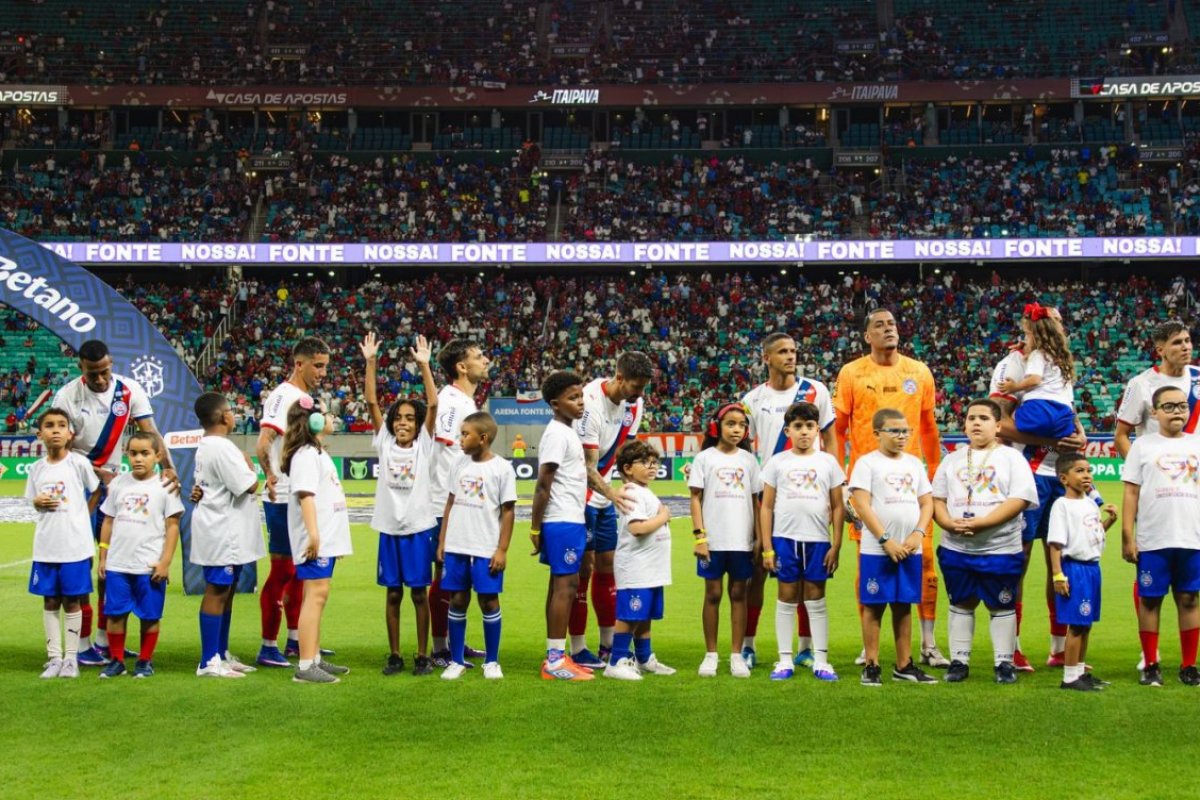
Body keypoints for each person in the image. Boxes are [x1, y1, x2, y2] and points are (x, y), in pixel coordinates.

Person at [52, 339, 175, 666]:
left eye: (106, 371)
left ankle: (107, 640)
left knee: (114, 565)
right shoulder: (66, 397)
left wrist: (169, 467)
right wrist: (93, 471)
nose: (102, 379)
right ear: (82, 369)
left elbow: (150, 432)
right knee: (80, 564)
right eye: (94, 374)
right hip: (78, 491)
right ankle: (81, 644)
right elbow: (58, 449)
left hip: (114, 490)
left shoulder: (129, 390)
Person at [834, 309, 947, 668]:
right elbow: (838, 430)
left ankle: (928, 643)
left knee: (925, 560)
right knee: (868, 565)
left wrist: (938, 475)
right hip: (867, 488)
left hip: (911, 485)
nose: (888, 329)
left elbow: (928, 428)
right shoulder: (852, 373)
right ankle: (869, 648)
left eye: (892, 324)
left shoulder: (919, 372)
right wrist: (840, 478)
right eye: (879, 325)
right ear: (867, 335)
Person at [988, 308, 1087, 671]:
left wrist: (1079, 435)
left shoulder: (1058, 361)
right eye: (1056, 320)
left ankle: (1059, 648)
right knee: (1020, 560)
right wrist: (1051, 439)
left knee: (1062, 559)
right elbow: (998, 424)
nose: (1061, 325)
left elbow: (1067, 411)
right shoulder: (1013, 363)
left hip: (1060, 475)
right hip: (1027, 474)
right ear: (1033, 326)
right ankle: (1010, 647)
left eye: (1062, 320)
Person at [740, 332, 835, 669]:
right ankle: (748, 645)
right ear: (766, 357)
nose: (790, 356)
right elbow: (746, 449)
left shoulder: (816, 391)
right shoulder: (752, 399)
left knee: (809, 573)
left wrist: (834, 478)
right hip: (769, 495)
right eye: (782, 351)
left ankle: (807, 647)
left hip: (808, 494)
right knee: (758, 570)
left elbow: (830, 438)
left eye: (794, 350)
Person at [932, 398, 1039, 684]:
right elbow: (938, 499)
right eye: (971, 418)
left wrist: (982, 523)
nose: (976, 423)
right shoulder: (951, 459)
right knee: (961, 602)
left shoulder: (1012, 458)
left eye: (983, 418)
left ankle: (1003, 662)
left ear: (998, 425)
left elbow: (1020, 500)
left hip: (1000, 548)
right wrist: (947, 522)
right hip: (956, 547)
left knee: (1002, 604)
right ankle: (959, 660)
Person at [1114, 320, 1200, 672]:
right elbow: (1122, 433)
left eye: (1189, 340)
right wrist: (1144, 469)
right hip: (1157, 489)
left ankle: (1187, 662)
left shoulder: (1198, 379)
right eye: (1178, 342)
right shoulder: (1142, 384)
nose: (1186, 346)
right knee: (1150, 585)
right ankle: (1149, 656)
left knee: (1189, 592)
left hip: (1191, 485)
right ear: (1160, 348)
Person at [362, 332, 439, 676]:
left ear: (418, 423)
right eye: (399, 418)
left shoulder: (425, 445)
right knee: (393, 595)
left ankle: (422, 655)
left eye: (409, 418)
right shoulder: (385, 443)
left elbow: (434, 404)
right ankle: (395, 654)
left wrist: (424, 366)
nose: (402, 422)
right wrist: (371, 362)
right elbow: (371, 403)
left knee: (419, 595)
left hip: (419, 529)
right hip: (389, 530)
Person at [570, 352, 652, 669]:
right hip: (580, 496)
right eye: (635, 386)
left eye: (643, 387)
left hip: (605, 497)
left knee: (609, 567)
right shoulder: (589, 402)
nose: (639, 394)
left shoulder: (634, 404)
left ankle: (607, 645)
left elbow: (622, 456)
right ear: (619, 378)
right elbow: (587, 466)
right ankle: (577, 649)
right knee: (582, 571)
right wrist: (614, 495)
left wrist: (633, 487)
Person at [255, 336, 330, 668]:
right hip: (284, 497)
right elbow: (263, 442)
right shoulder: (283, 396)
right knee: (283, 570)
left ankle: (298, 640)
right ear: (299, 364)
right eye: (318, 365)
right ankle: (268, 645)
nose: (323, 373)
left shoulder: (303, 397)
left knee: (301, 572)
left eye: (325, 366)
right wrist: (270, 476)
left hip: (297, 494)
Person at [848, 408, 938, 687]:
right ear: (877, 434)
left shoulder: (913, 463)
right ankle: (872, 665)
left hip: (910, 547)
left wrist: (918, 533)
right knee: (874, 605)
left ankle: (904, 665)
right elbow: (861, 504)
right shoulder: (867, 464)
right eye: (894, 431)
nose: (902, 436)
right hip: (878, 549)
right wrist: (885, 540)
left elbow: (926, 502)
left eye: (905, 431)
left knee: (904, 605)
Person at [760, 402, 844, 682]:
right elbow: (766, 507)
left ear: (817, 429)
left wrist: (837, 544)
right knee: (786, 598)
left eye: (809, 426)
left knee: (816, 598)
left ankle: (821, 659)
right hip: (784, 540)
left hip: (818, 540)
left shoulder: (828, 462)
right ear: (788, 430)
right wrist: (767, 547)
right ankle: (784, 660)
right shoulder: (777, 462)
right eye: (798, 426)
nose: (804, 432)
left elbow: (837, 506)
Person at [435, 411, 516, 680]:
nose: (460, 439)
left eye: (465, 434)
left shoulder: (502, 468)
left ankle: (492, 661)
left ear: (482, 438)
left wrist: (502, 549)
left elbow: (508, 512)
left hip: (485, 547)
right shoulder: (458, 464)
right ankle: (456, 660)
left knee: (489, 601)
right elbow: (449, 504)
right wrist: (443, 541)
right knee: (457, 599)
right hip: (457, 545)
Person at [96, 431, 184, 679]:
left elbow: (173, 526)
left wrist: (165, 562)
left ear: (157, 456)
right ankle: (116, 660)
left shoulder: (165, 487)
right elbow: (109, 521)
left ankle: (145, 661)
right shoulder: (118, 484)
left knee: (150, 615)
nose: (138, 458)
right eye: (133, 453)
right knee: (114, 613)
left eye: (145, 453)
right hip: (118, 564)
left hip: (148, 565)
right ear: (126, 454)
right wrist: (103, 556)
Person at [191, 391, 262, 679]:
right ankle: (208, 660)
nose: (234, 414)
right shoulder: (222, 448)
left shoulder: (208, 446)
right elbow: (249, 485)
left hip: (222, 528)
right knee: (217, 591)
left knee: (227, 591)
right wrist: (249, 464)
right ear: (223, 416)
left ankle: (220, 653)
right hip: (223, 531)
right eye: (230, 410)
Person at [429, 339, 491, 667]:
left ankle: (455, 642)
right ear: (461, 367)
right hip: (446, 504)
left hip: (462, 503)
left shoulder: (465, 401)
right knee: (445, 574)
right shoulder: (451, 402)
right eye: (479, 357)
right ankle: (440, 647)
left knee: (458, 577)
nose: (486, 361)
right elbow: (445, 453)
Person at [282, 397, 353, 684]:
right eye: (324, 413)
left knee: (319, 596)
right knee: (315, 596)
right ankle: (305, 665)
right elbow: (306, 496)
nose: (330, 417)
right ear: (311, 421)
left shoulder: (316, 452)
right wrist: (314, 536)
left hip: (325, 539)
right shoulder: (306, 455)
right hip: (316, 540)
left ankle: (314, 658)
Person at [26, 408, 100, 679]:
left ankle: (71, 660)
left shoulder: (78, 463)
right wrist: (36, 502)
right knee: (49, 600)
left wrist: (83, 515)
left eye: (61, 425)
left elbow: (96, 489)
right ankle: (54, 658)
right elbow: (33, 501)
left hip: (74, 546)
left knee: (72, 601)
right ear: (39, 434)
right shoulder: (36, 469)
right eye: (49, 425)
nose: (55, 430)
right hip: (46, 546)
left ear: (70, 433)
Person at [689, 403, 759, 678]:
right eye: (731, 424)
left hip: (741, 542)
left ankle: (736, 655)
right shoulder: (705, 458)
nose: (736, 429)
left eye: (741, 425)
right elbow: (695, 498)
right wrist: (700, 537)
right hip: (713, 541)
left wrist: (758, 539)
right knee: (713, 594)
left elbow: (756, 501)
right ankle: (711, 655)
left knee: (739, 595)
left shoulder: (749, 461)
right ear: (717, 426)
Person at [531, 371, 593, 681]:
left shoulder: (567, 431)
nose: (580, 403)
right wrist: (534, 527)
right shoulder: (557, 433)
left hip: (568, 518)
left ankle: (556, 654)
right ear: (556, 404)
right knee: (566, 588)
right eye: (572, 398)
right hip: (562, 519)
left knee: (560, 586)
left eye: (581, 396)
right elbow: (543, 483)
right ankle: (555, 662)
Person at [1047, 452, 1119, 691]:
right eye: (1080, 471)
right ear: (1064, 478)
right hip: (1074, 569)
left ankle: (1079, 672)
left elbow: (1092, 534)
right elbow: (1055, 543)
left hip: (1092, 568)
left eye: (1089, 470)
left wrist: (1109, 522)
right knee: (1077, 624)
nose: (1087, 475)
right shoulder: (1061, 506)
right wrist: (1058, 575)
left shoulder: (1089, 503)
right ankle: (1069, 677)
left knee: (1086, 623)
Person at [604, 439, 675, 681]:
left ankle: (644, 658)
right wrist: (663, 516)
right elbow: (637, 528)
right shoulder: (633, 492)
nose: (652, 466)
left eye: (654, 462)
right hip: (637, 568)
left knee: (644, 616)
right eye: (644, 462)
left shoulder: (644, 491)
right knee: (630, 615)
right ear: (627, 468)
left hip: (651, 568)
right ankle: (616, 661)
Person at [997, 302, 1076, 441]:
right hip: (1064, 415)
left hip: (1040, 410)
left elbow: (1035, 380)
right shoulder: (1061, 358)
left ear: (1034, 335)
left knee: (1009, 419)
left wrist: (1014, 387)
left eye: (1027, 335)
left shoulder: (1038, 354)